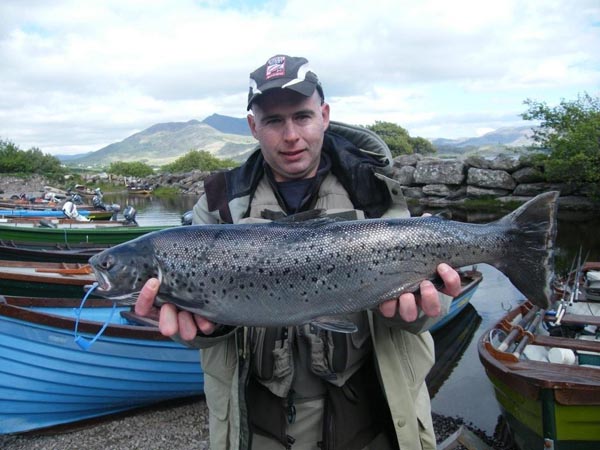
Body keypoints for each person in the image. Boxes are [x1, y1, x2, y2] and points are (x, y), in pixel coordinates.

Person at [135, 55, 461, 450]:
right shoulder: (218, 205)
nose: (291, 135)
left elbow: (416, 314)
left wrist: (416, 316)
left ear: (324, 115)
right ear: (253, 126)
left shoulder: (374, 191)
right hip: (260, 424)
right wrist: (207, 329)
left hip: (373, 417)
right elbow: (204, 328)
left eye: (302, 116)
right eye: (274, 121)